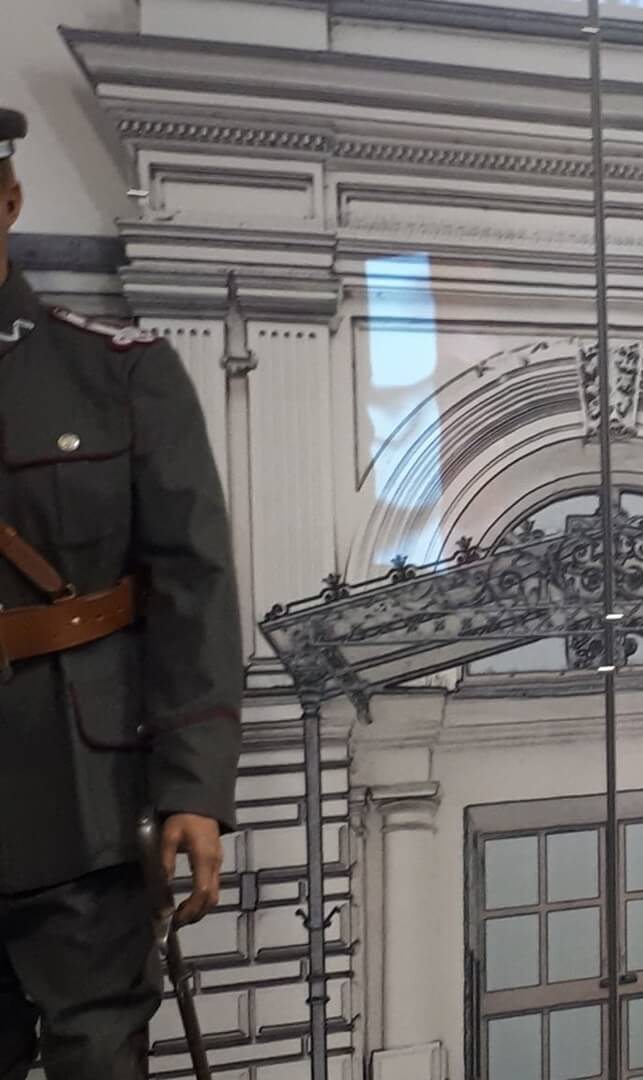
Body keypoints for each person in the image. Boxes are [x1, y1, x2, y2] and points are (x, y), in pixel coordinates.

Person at [0, 107, 242, 1079]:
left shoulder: (118, 374)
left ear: (8, 199)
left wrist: (195, 787)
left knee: (99, 1058)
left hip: (83, 803)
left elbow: (191, 582)